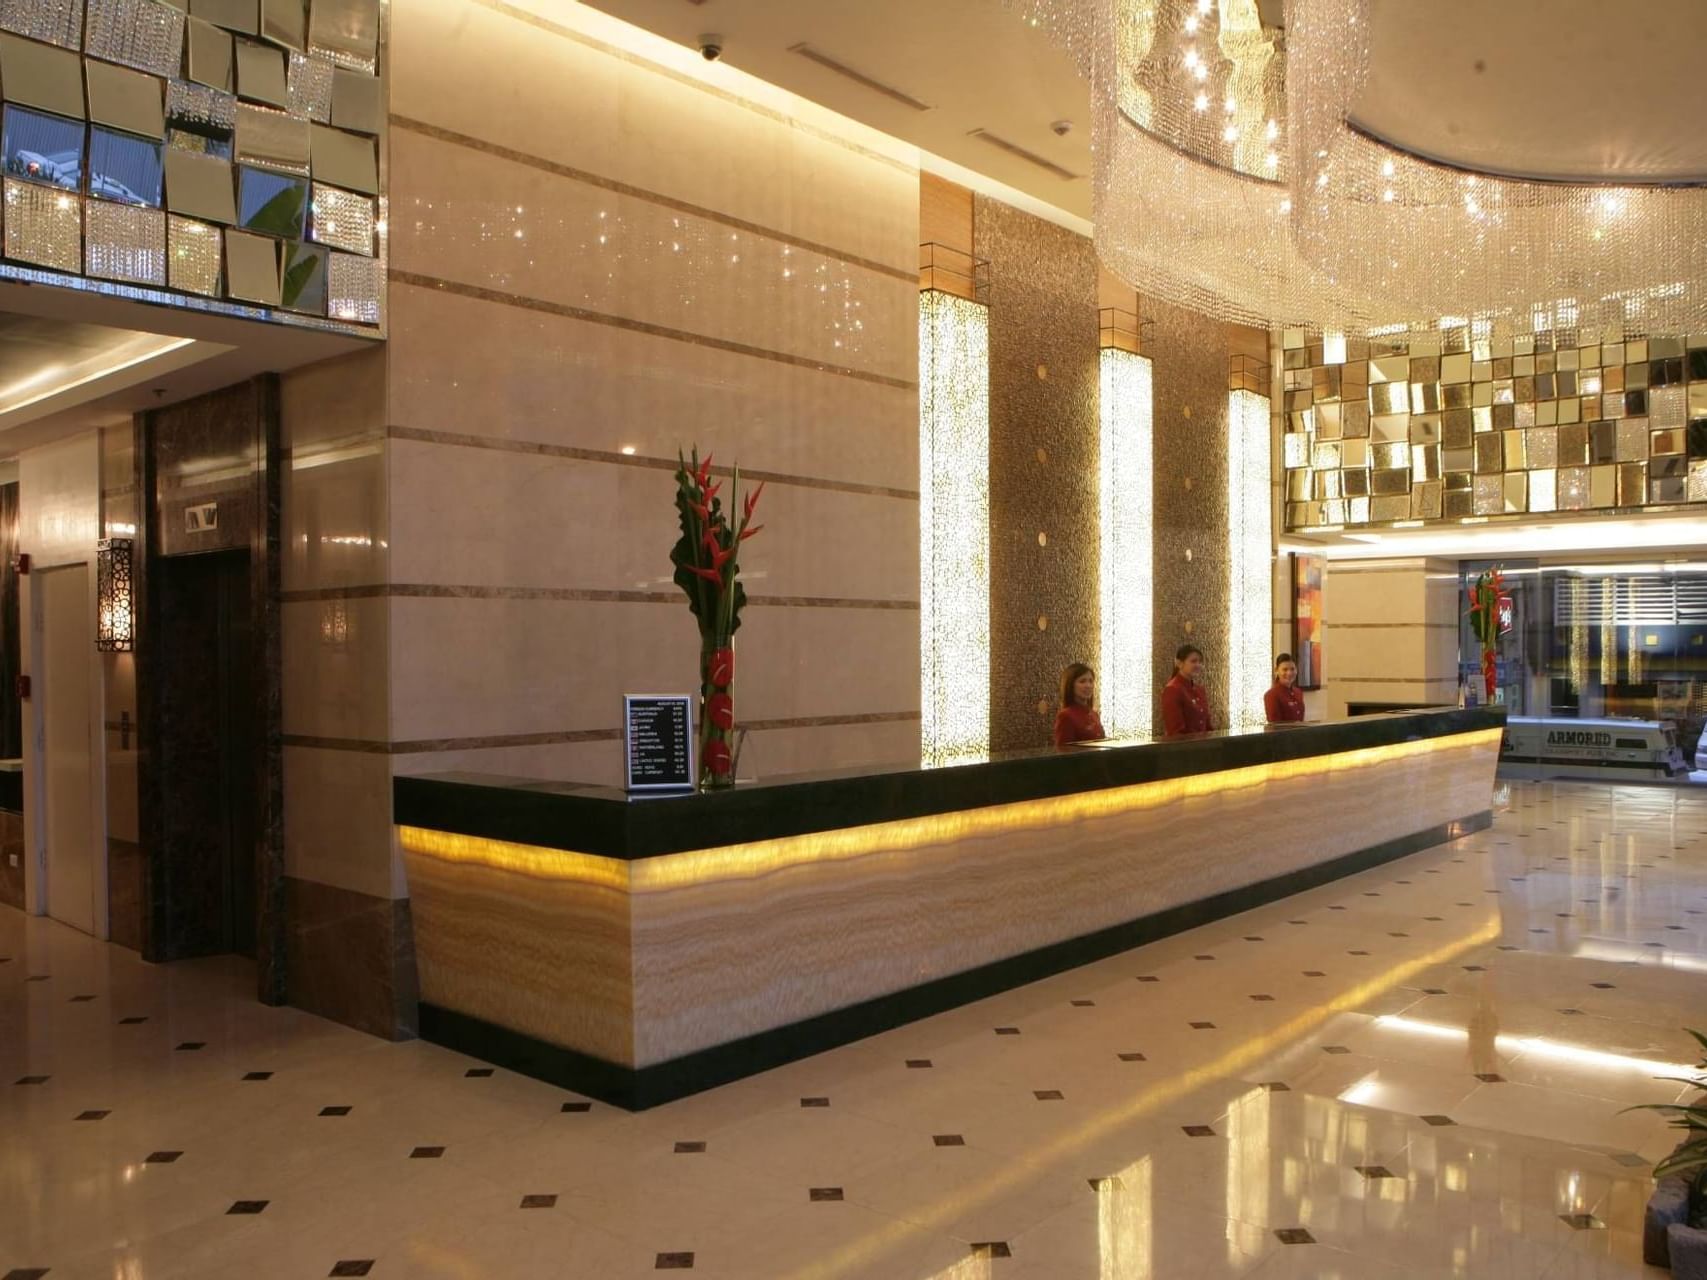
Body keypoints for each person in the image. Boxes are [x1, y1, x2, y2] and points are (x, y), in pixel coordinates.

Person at [1161, 644, 1213, 737]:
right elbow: (1175, 731)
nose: (1198, 665)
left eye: (1200, 662)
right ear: (1179, 663)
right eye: (1193, 661)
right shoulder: (1172, 689)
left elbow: (1207, 725)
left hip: (1204, 746)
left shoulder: (1200, 690)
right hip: (1184, 748)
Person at [1053, 662, 1105, 749]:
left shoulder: (1094, 714)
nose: (1088, 685)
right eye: (1082, 681)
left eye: (1091, 681)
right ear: (1070, 685)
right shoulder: (1066, 716)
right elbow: (1063, 752)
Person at [1264, 652, 1307, 724]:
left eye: (1292, 669)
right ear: (1276, 671)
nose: (1289, 673)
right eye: (1285, 669)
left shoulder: (1298, 692)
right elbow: (1275, 726)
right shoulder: (1271, 695)